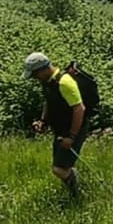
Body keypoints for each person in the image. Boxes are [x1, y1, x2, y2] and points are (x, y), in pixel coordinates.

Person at [25, 52, 87, 198]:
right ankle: (75, 189)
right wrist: (43, 121)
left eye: (34, 74)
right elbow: (49, 102)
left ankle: (79, 196)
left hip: (74, 129)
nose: (34, 78)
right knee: (61, 166)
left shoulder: (64, 82)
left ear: (43, 69)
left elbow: (79, 109)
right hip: (61, 130)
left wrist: (71, 136)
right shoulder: (48, 83)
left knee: (59, 169)